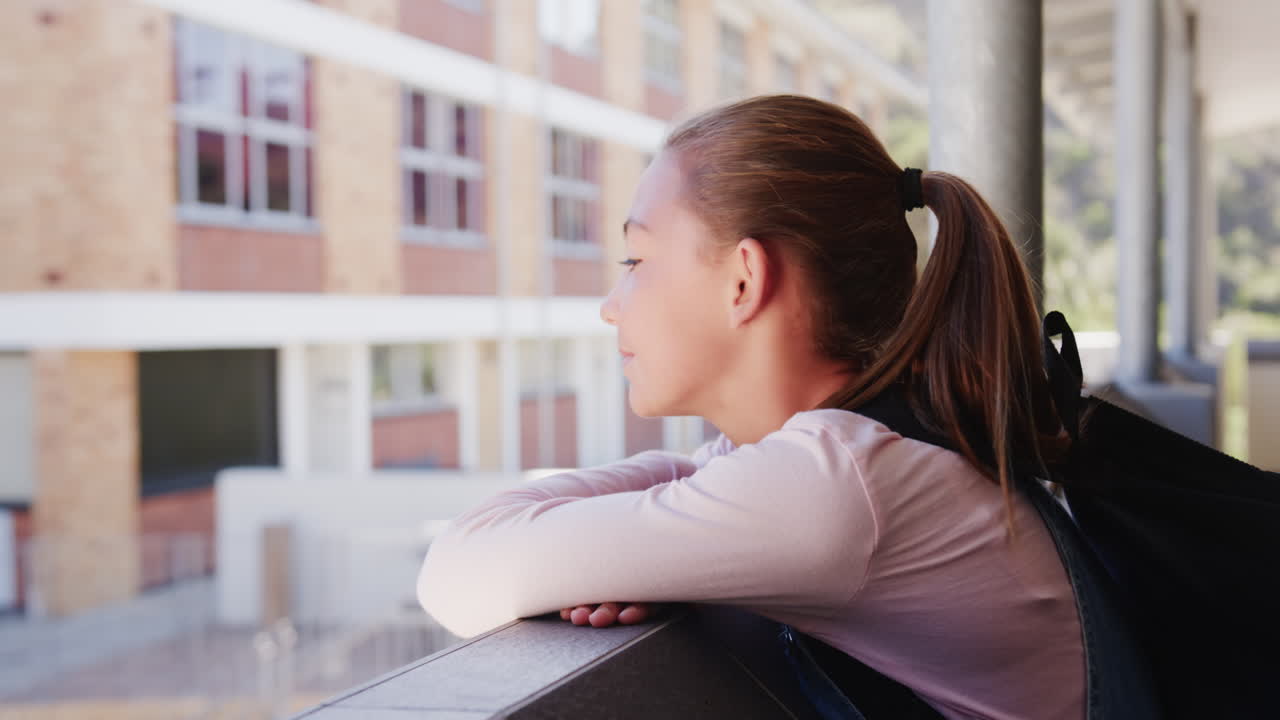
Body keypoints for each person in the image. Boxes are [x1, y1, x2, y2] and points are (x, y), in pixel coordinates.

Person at [417, 94, 1082, 720]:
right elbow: (705, 479)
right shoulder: (866, 448)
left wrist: (625, 548)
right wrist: (639, 549)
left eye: (635, 257)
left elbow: (452, 572)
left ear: (743, 279)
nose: (611, 305)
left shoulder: (835, 485)